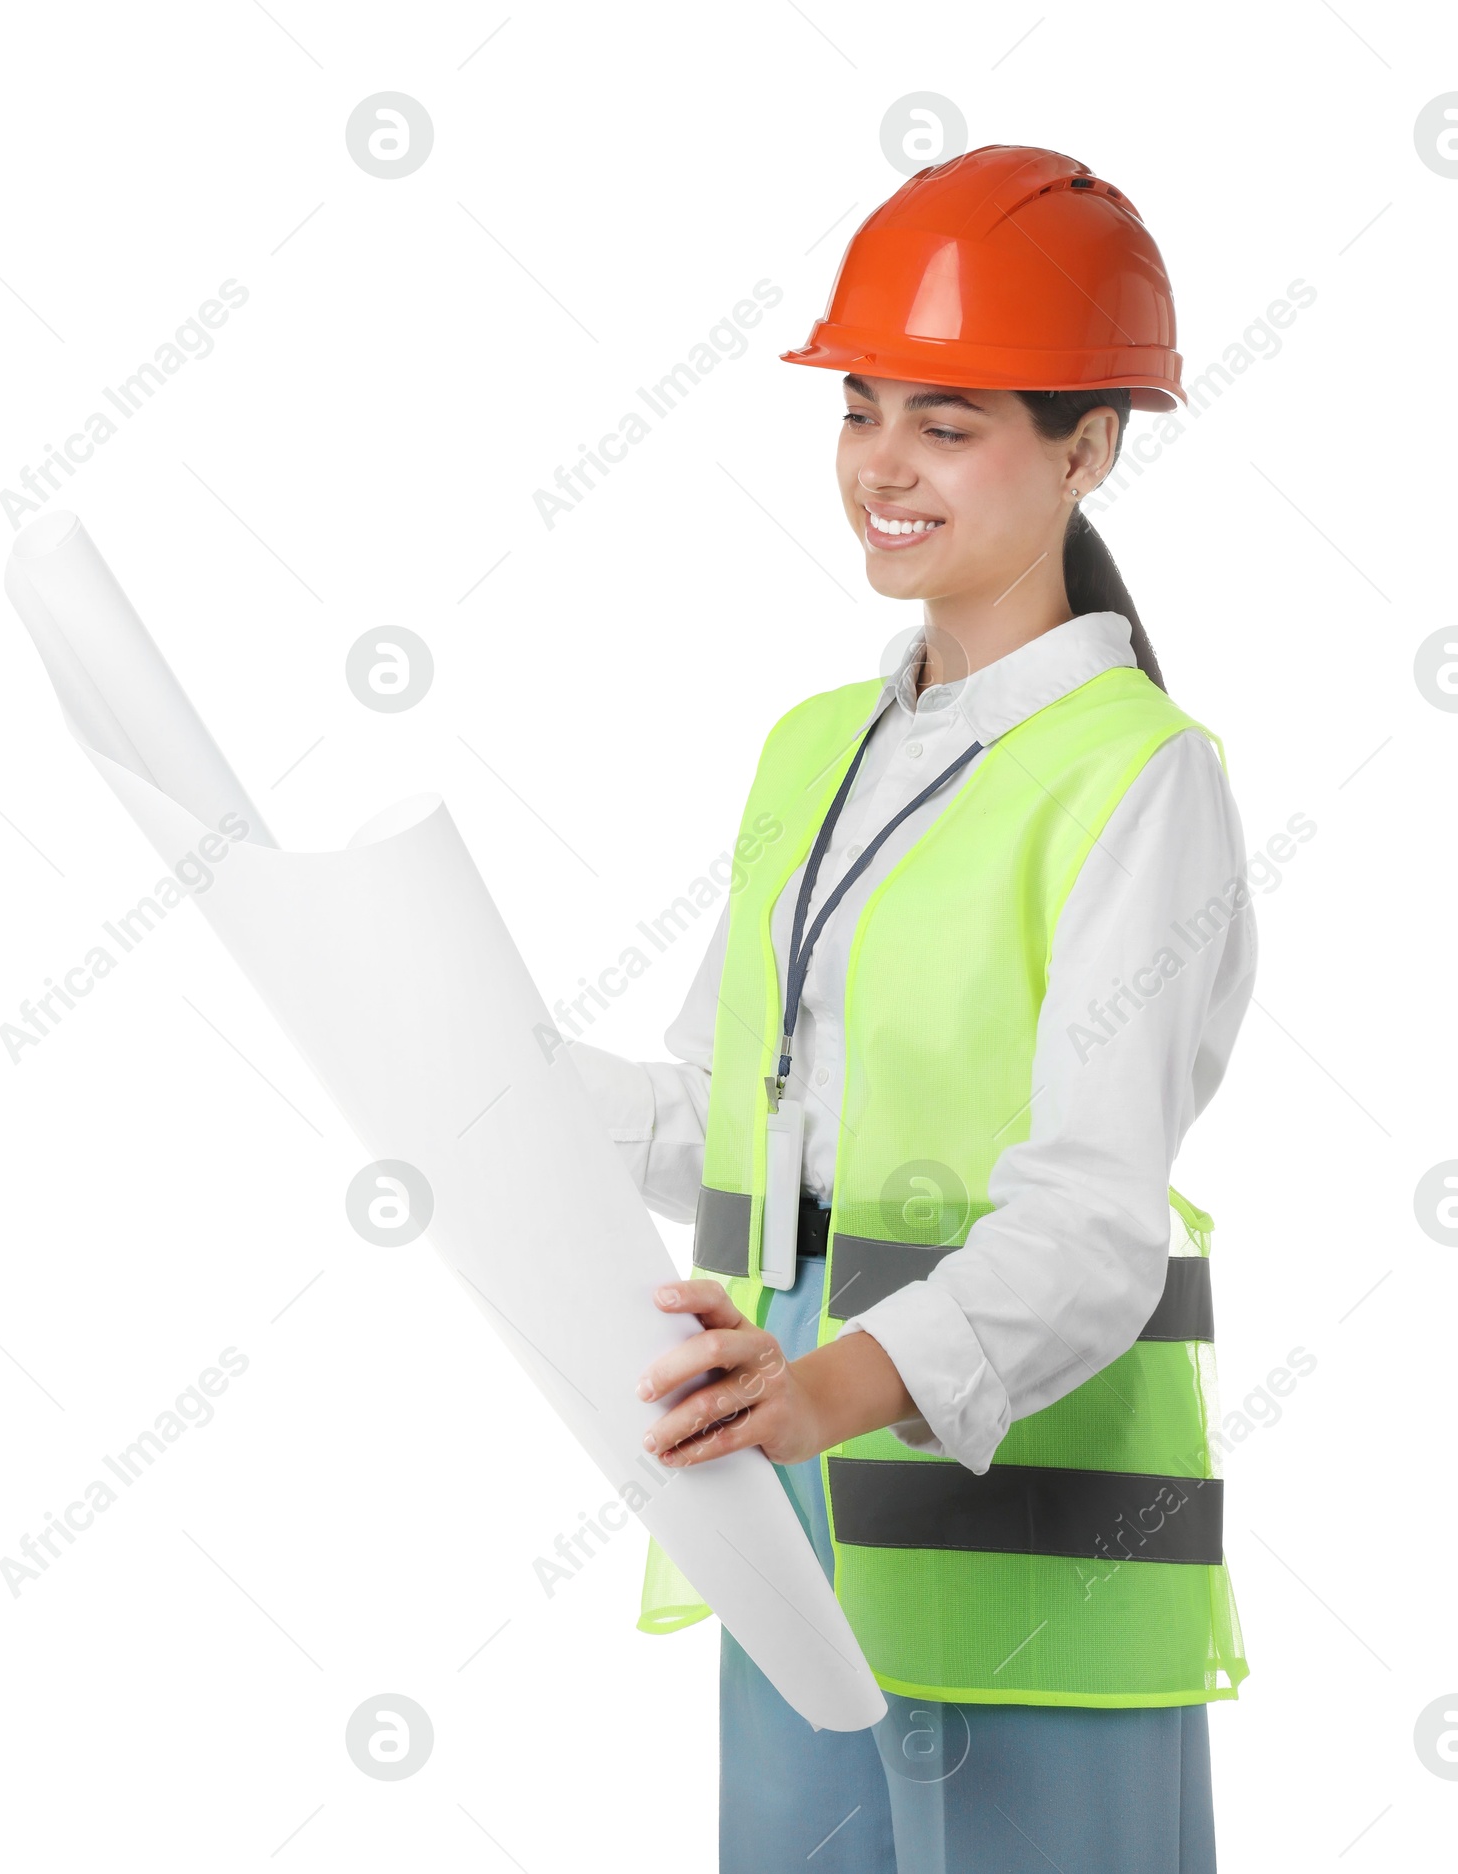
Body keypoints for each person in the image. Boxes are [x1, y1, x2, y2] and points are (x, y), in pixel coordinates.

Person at [570, 144, 1254, 1873]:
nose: (880, 466)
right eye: (861, 409)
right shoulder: (818, 749)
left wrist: (821, 1386)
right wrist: (463, 1065)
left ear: (1087, 446)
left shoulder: (1137, 782)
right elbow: (727, 1119)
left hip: (1032, 1568)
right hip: (797, 1541)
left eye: (945, 425)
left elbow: (1093, 1229)